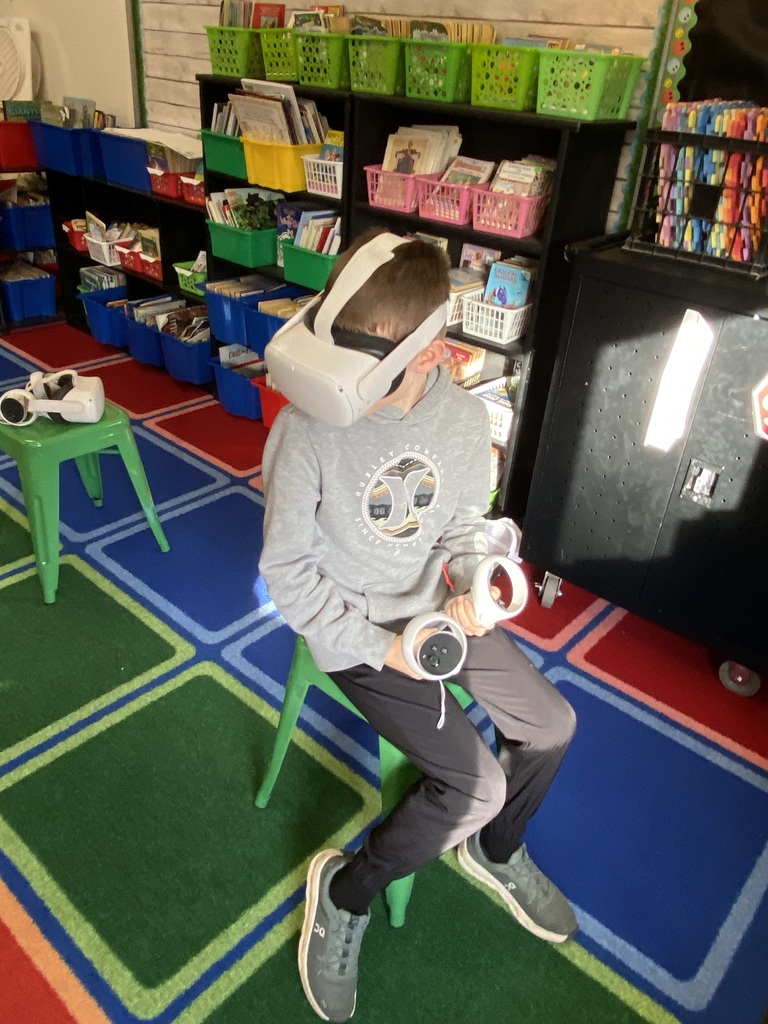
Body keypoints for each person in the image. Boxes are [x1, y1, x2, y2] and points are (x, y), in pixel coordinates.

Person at [259, 230, 577, 1024]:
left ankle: (497, 850)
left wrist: (474, 584)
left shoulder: (464, 423)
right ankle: (347, 890)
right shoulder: (305, 429)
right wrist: (382, 648)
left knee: (550, 724)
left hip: (429, 611)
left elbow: (465, 530)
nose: (345, 396)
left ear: (434, 354)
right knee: (474, 784)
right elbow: (288, 577)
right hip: (351, 631)